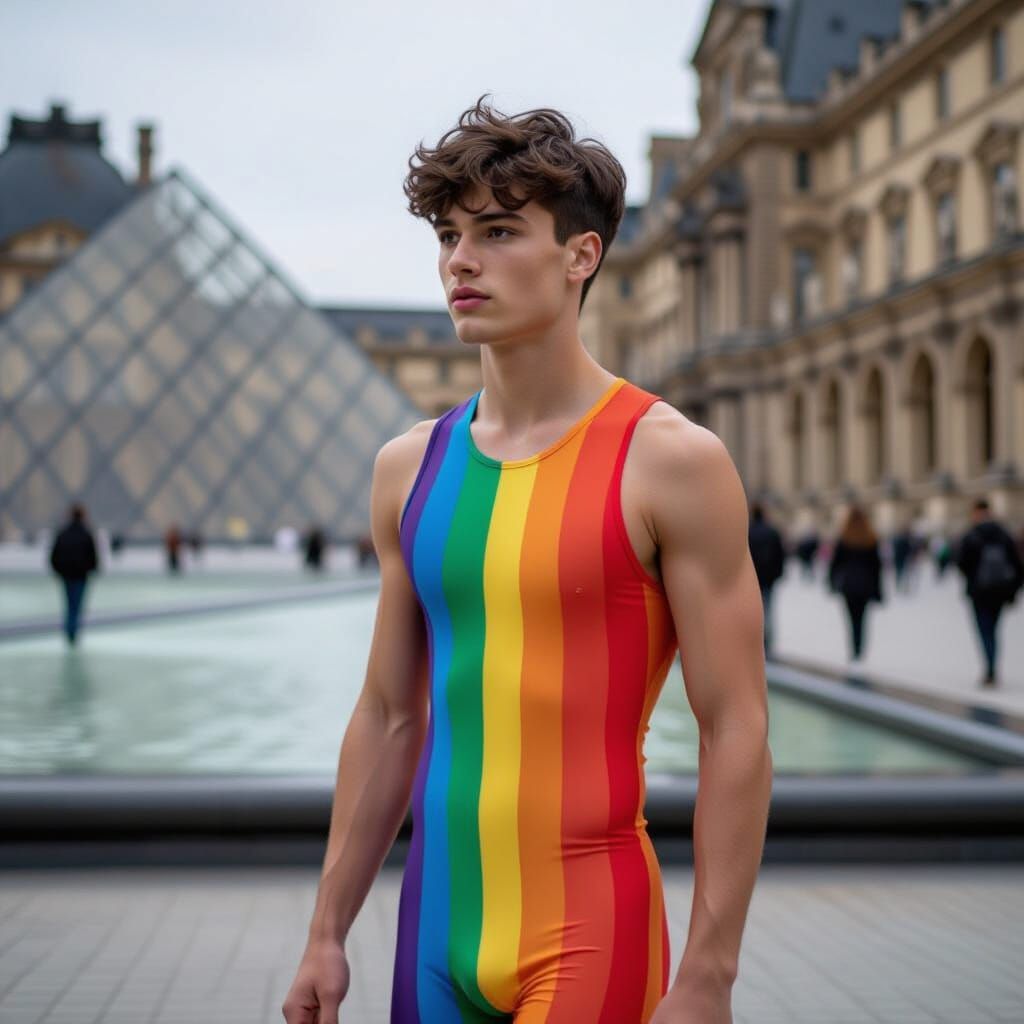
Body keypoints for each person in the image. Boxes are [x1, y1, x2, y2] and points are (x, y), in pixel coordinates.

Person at [282, 96, 772, 1024]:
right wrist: (326, 931)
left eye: (498, 232)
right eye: (448, 235)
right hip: (433, 933)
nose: (460, 261)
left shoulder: (670, 460)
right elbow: (388, 715)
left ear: (581, 255)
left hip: (591, 926)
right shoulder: (408, 469)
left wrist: (709, 974)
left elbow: (736, 726)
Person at [955, 499, 1024, 687]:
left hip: (979, 592)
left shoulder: (972, 535)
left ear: (975, 513)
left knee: (985, 630)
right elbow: (1017, 565)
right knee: (994, 629)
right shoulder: (1003, 534)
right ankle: (992, 665)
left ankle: (990, 668)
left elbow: (962, 563)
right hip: (1000, 591)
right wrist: (1014, 589)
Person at [827, 504, 884, 663]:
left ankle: (854, 649)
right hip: (865, 585)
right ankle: (860, 649)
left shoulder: (844, 538)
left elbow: (835, 564)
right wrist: (878, 590)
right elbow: (876, 567)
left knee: (851, 619)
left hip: (849, 585)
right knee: (862, 619)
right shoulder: (870, 539)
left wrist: (831, 582)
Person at [48, 503, 99, 646]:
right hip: (81, 576)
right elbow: (93, 557)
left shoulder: (63, 533)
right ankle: (73, 631)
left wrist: (59, 570)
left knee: (69, 603)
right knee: (77, 605)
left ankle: (70, 630)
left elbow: (54, 555)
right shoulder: (86, 534)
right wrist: (91, 569)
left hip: (66, 575)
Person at [748, 502, 786, 656]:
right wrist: (777, 574)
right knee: (768, 610)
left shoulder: (748, 531)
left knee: (753, 610)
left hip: (752, 577)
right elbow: (780, 555)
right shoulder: (772, 532)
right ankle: (767, 642)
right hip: (769, 578)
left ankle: (754, 640)